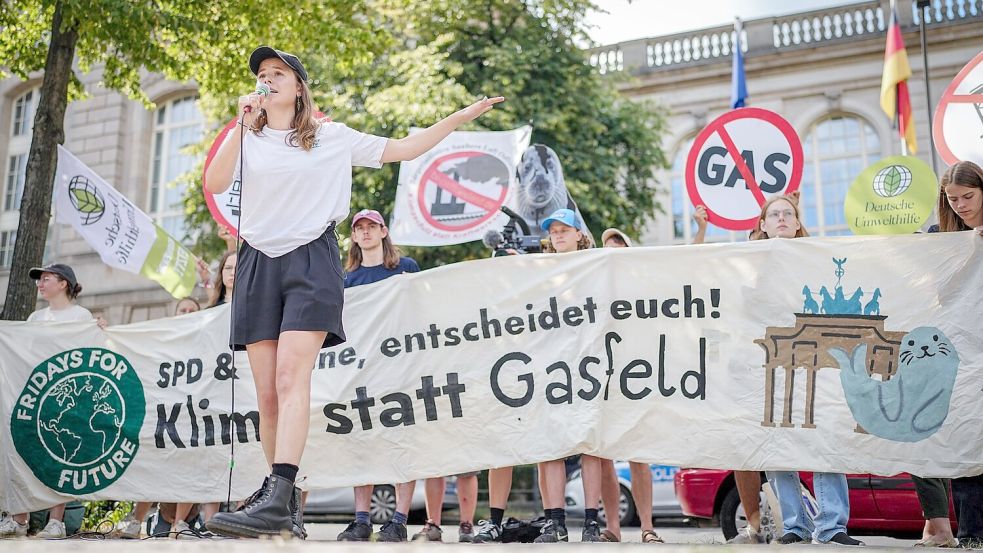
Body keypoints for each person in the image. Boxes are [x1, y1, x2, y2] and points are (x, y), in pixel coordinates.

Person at [742, 196, 861, 546]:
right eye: (773, 214)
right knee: (776, 443)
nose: (781, 218)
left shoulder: (818, 261)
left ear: (797, 223)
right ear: (762, 225)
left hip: (817, 362)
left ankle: (832, 525)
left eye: (788, 213)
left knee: (823, 438)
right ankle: (795, 524)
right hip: (770, 363)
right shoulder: (750, 265)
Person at [334, 209, 419, 543]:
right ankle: (362, 519)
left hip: (400, 369)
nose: (366, 233)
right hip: (363, 373)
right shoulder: (347, 280)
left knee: (402, 443)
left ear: (384, 231)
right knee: (362, 445)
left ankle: (399, 519)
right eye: (360, 228)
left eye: (372, 227)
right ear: (354, 237)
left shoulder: (405, 268)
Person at [0, 264, 104, 539]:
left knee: (62, 454)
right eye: (39, 280)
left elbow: (90, 350)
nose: (40, 284)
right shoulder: (36, 318)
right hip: (38, 395)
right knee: (23, 451)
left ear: (64, 283)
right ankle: (18, 518)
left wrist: (100, 329)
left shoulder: (81, 315)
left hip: (68, 395)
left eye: (46, 279)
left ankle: (55, 521)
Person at [914, 161, 983, 549]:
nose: (960, 205)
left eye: (968, 196)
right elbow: (937, 293)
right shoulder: (941, 236)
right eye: (952, 199)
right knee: (966, 441)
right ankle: (972, 532)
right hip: (963, 355)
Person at [597, 228, 665, 544]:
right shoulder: (594, 288)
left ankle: (647, 527)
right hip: (603, 378)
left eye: (619, 247)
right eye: (607, 249)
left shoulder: (643, 289)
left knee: (638, 453)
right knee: (605, 455)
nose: (613, 253)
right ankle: (613, 527)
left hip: (636, 375)